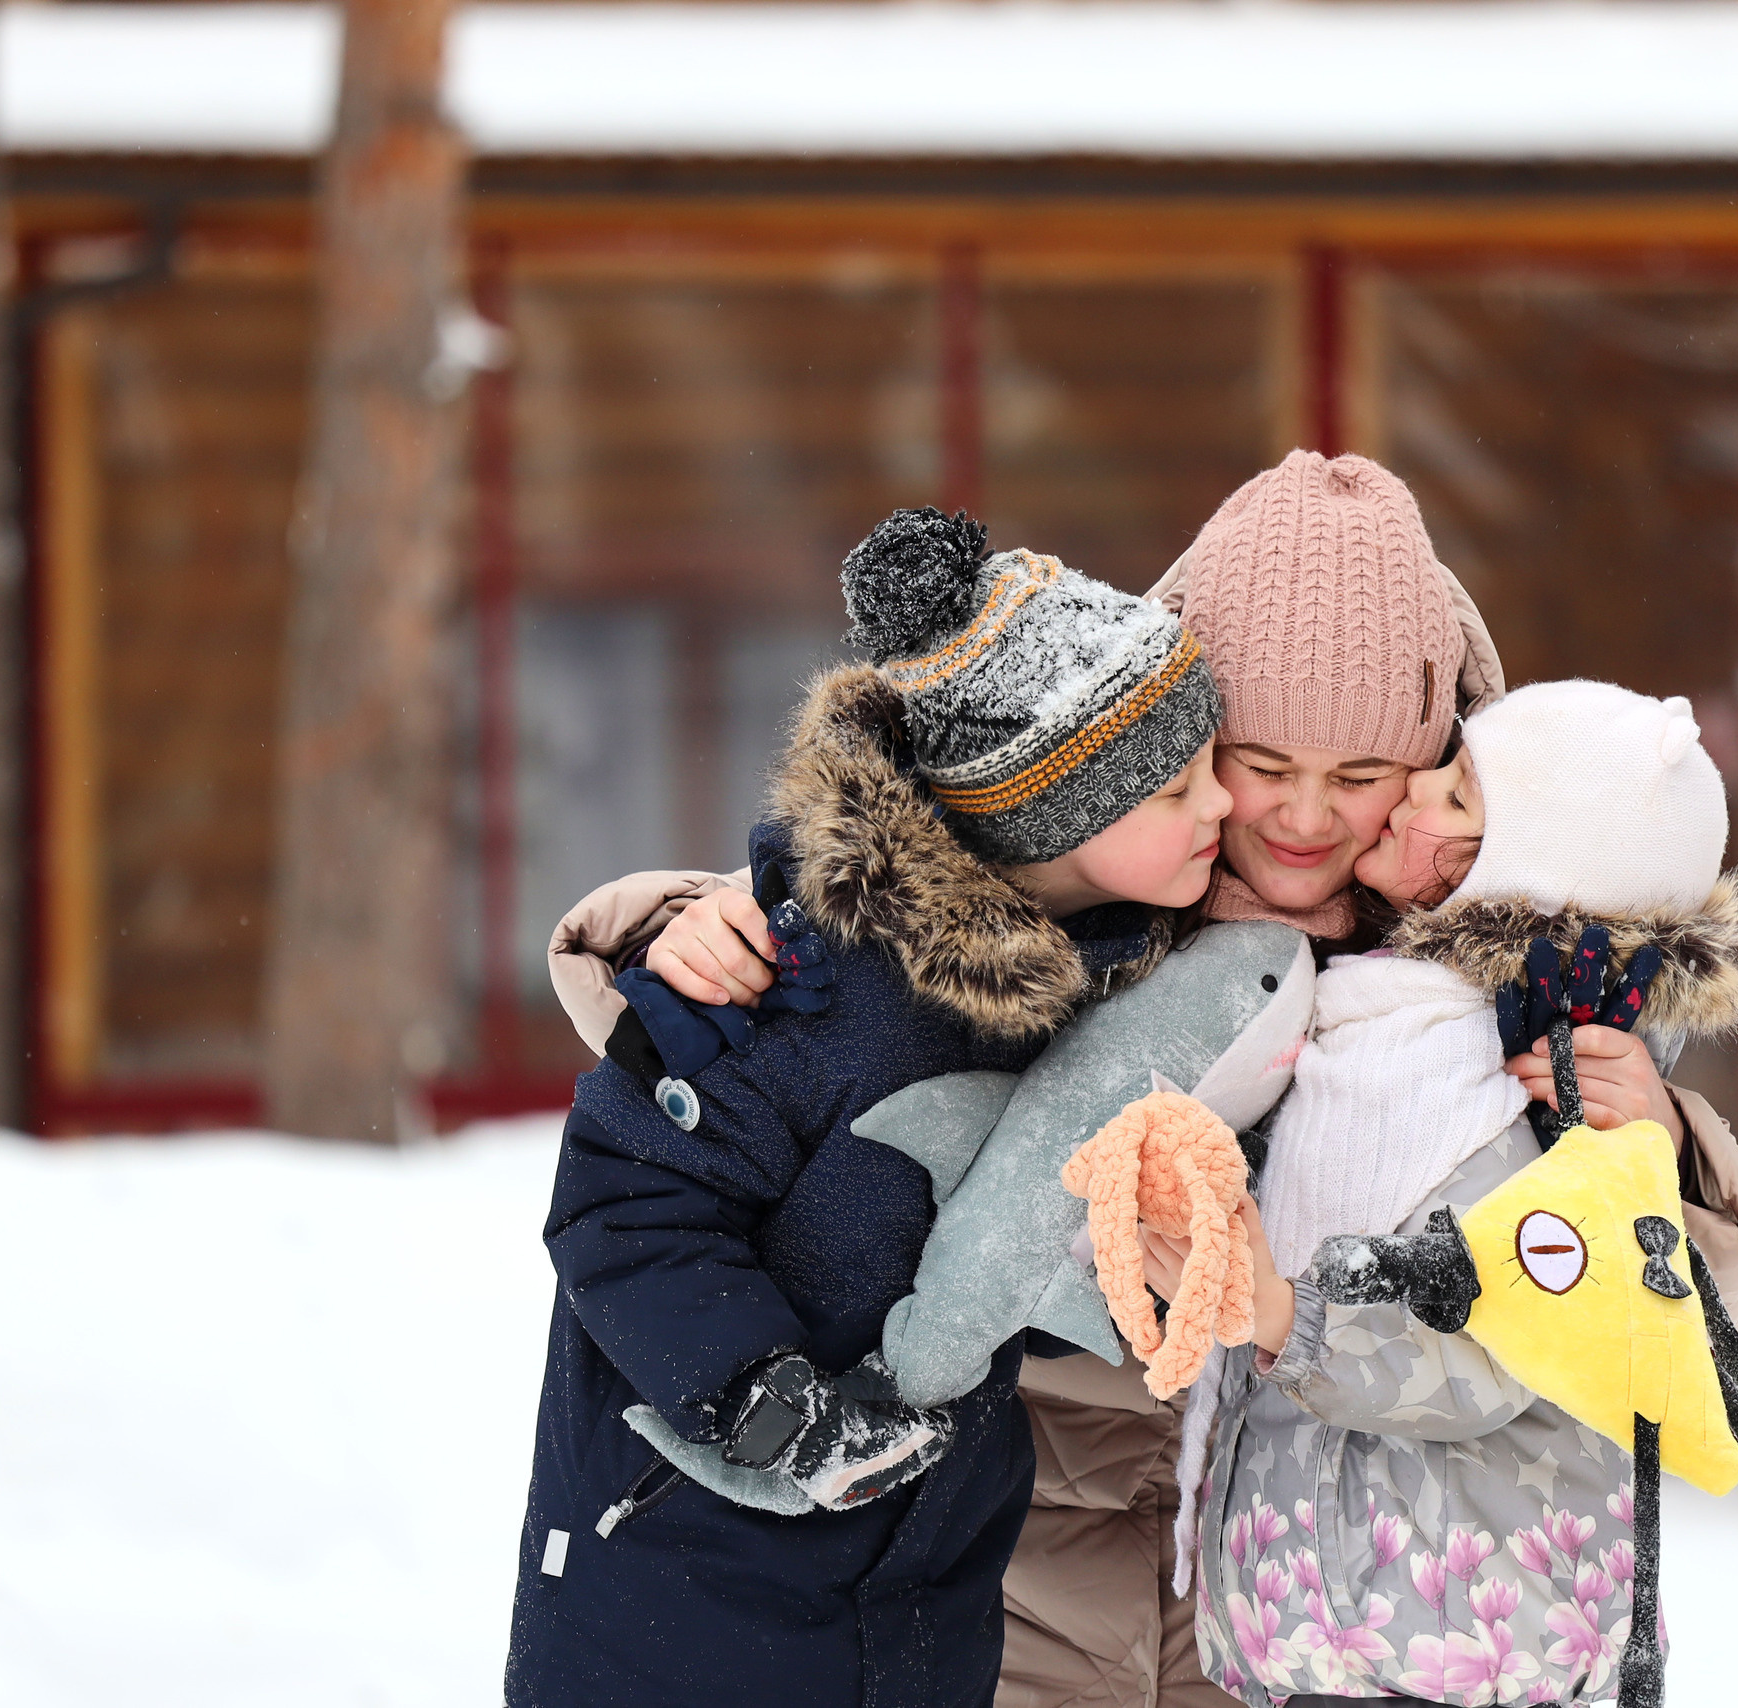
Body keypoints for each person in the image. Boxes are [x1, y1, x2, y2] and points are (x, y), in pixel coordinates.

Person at [546, 453, 1738, 1708]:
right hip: (1021, 1554)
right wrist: (679, 926)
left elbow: (1630, 1303)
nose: (1303, 818)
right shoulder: (1091, 854)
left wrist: (1665, 1144)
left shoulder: (1511, 954)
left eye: (1363, 776)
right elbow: (831, 980)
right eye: (1262, 762)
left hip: (1309, 1585)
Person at [504, 506, 1231, 1708]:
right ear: (1060, 811)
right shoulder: (792, 983)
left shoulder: (1093, 1000)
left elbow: (989, 1275)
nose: (1220, 808)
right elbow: (621, 1203)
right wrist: (757, 1400)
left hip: (921, 1585)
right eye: (1177, 788)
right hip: (686, 1576)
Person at [1159, 680, 1738, 1708]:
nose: (1406, 800)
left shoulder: (1521, 1075)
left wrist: (1277, 1316)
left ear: (1528, 870)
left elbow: (1501, 1353)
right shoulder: (1375, 1017)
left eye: (1456, 799)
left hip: (1470, 1634)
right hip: (1352, 1621)